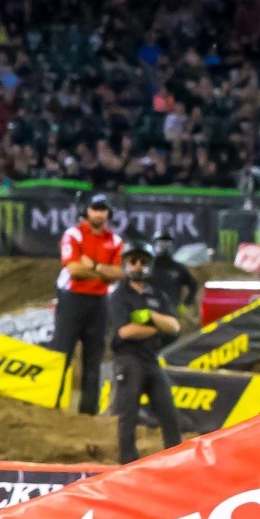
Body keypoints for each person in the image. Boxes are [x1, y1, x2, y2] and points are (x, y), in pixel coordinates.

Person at [108, 241, 183, 463]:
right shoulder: (119, 295)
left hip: (151, 359)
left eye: (143, 261)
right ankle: (127, 462)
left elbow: (175, 327)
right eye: (133, 261)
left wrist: (148, 317)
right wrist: (158, 325)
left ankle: (177, 458)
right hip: (128, 359)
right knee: (128, 415)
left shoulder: (157, 294)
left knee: (169, 413)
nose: (138, 266)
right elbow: (126, 331)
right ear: (126, 263)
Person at [51, 192, 123, 415]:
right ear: (86, 210)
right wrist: (103, 271)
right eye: (95, 209)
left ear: (109, 213)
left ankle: (88, 412)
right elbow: (73, 270)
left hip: (99, 302)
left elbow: (119, 274)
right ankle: (51, 403)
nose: (100, 214)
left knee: (94, 357)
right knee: (61, 353)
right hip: (72, 299)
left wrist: (93, 266)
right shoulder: (73, 234)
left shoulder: (115, 240)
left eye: (103, 210)